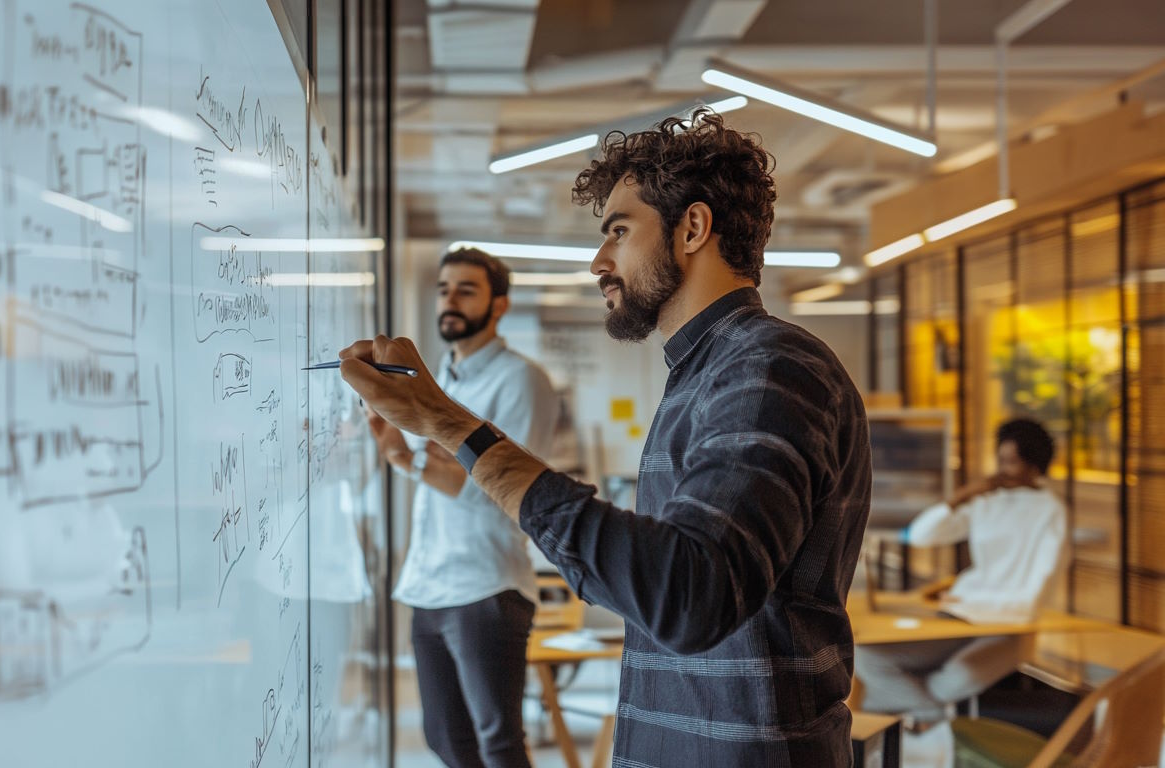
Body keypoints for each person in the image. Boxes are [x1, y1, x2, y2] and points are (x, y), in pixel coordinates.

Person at [340, 110, 872, 765]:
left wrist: (448, 422)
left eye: (619, 231)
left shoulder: (771, 367)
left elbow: (689, 595)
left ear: (693, 228)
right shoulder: (704, 374)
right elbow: (668, 583)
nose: (599, 260)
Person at [369, 247, 558, 768]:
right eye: (444, 288)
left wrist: (403, 460)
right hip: (428, 586)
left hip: (486, 588)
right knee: (445, 740)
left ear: (498, 306)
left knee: (497, 741)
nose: (450, 299)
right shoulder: (441, 383)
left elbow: (500, 489)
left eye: (466, 289)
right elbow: (449, 473)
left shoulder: (521, 380)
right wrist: (406, 455)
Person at [854, 417, 1068, 723]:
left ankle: (921, 720)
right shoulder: (987, 501)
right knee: (866, 656)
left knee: (953, 679)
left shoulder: (1051, 512)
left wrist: (971, 603)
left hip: (1005, 627)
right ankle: (934, 720)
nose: (1002, 469)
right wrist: (960, 498)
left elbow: (1032, 599)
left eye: (1012, 462)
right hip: (954, 619)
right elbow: (919, 537)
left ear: (1035, 467)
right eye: (1000, 459)